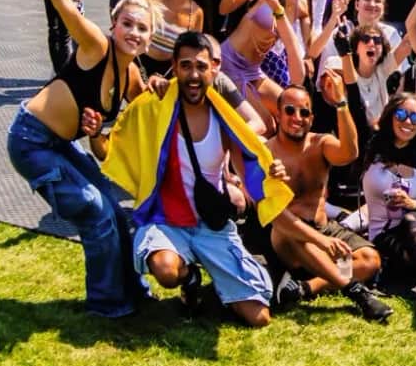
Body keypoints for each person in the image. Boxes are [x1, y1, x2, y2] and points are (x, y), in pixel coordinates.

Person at [5, 0, 153, 317]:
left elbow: (111, 147)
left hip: (59, 143)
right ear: (114, 25)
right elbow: (65, 5)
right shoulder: (97, 46)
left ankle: (134, 290)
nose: (134, 32)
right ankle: (108, 304)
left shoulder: (133, 80)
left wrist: (96, 134)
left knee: (115, 209)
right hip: (30, 140)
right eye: (128, 24)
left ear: (147, 39)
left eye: (142, 28)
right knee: (95, 210)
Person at [103, 32, 288, 327]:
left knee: (259, 318)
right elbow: (115, 139)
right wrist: (92, 129)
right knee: (165, 270)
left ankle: (222, 281)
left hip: (209, 223)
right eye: (186, 65)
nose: (193, 75)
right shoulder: (159, 105)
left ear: (214, 69)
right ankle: (190, 278)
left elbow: (250, 166)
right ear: (174, 67)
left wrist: (273, 172)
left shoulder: (223, 117)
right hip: (167, 218)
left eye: (201, 67)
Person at [260, 75, 392, 322]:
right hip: (288, 238)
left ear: (311, 118)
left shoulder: (320, 143)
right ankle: (356, 292)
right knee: (289, 232)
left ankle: (306, 288)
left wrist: (341, 103)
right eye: (290, 110)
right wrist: (321, 242)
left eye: (304, 112)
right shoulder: (267, 153)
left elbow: (350, 152)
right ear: (278, 114)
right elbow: (274, 214)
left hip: (324, 227)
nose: (297, 117)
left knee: (369, 260)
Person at [360, 90, 416, 317]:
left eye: (415, 117)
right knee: (408, 265)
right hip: (383, 232)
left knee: (411, 220)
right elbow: (355, 104)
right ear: (390, 115)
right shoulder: (373, 146)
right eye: (401, 114)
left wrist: (415, 204)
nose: (407, 122)